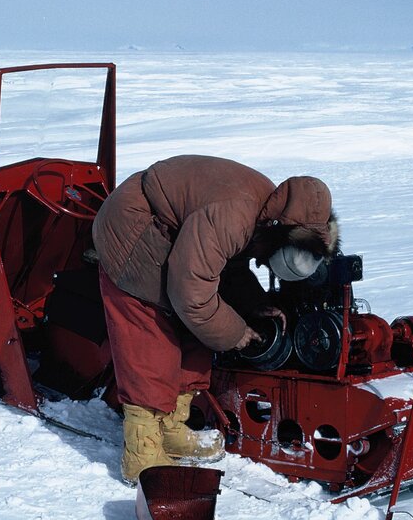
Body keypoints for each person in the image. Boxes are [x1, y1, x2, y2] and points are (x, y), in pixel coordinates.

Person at [92, 155, 338, 484]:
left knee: (197, 333)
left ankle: (171, 429)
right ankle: (142, 452)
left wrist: (254, 305)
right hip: (134, 227)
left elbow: (226, 263)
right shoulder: (236, 214)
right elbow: (191, 293)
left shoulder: (267, 213)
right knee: (153, 338)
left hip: (172, 236)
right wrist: (234, 332)